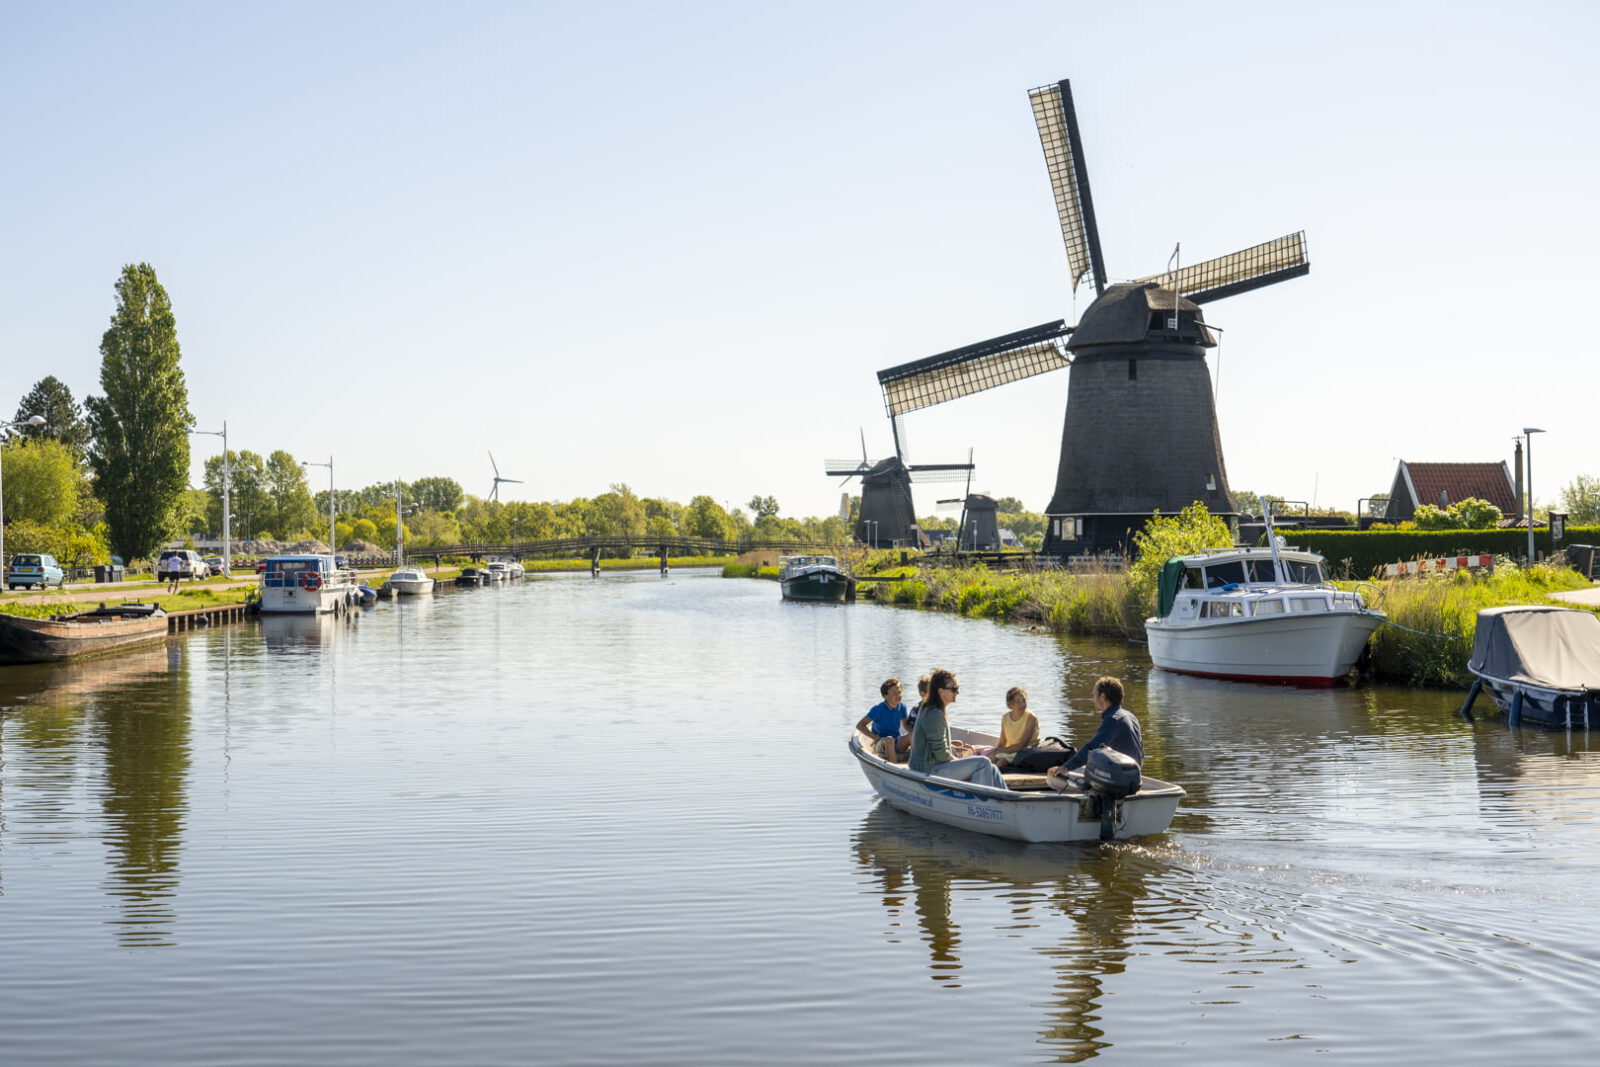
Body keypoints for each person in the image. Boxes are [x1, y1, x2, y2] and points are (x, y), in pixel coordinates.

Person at [908, 668, 1008, 791]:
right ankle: (983, 801)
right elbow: (941, 754)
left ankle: (1007, 800)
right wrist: (960, 761)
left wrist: (958, 752)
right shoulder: (934, 714)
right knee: (982, 763)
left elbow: (938, 748)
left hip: (932, 766)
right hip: (927, 769)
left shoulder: (932, 710)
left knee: (991, 768)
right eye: (954, 689)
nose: (957, 692)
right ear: (940, 691)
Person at [1048, 676, 1143, 784]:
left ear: (1102, 696)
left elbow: (1092, 747)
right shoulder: (1130, 716)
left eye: (1094, 694)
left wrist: (1066, 767)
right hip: (1134, 774)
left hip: (1121, 778)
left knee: (1055, 779)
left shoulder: (1113, 720)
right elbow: (1141, 752)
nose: (1092, 699)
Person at [856, 678, 910, 762]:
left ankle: (905, 759)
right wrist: (875, 738)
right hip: (881, 742)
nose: (898, 695)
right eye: (894, 693)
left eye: (899, 692)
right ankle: (894, 765)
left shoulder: (902, 707)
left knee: (912, 736)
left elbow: (906, 725)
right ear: (885, 696)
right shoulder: (878, 709)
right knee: (889, 740)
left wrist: (915, 733)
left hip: (897, 740)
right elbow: (860, 725)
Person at [988, 687, 1039, 768]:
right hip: (1010, 750)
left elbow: (1022, 745)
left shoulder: (1031, 718)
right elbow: (1002, 743)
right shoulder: (1005, 718)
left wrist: (1001, 750)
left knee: (1001, 762)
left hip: (1025, 751)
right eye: (1018, 702)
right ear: (1010, 704)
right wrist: (995, 752)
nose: (1022, 704)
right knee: (989, 761)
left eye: (1024, 701)